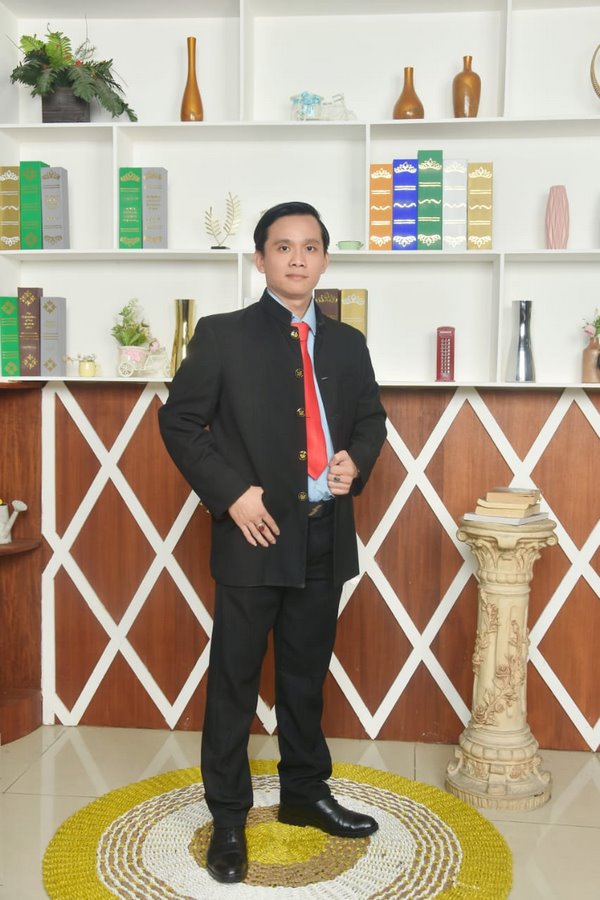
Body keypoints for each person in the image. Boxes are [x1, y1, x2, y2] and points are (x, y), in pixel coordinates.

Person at [158, 201, 387, 884]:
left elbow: (371, 420)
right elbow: (179, 423)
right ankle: (228, 816)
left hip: (324, 534)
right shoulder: (223, 335)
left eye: (310, 247)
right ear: (260, 259)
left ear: (324, 259)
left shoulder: (347, 343)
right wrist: (232, 493)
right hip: (253, 535)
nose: (297, 258)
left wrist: (356, 461)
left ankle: (305, 795)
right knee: (233, 679)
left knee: (304, 676)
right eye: (283, 247)